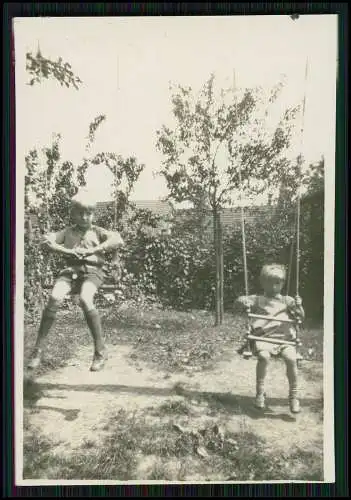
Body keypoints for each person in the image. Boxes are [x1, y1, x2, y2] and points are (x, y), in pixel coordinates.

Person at [27, 188, 124, 372]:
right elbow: (47, 240)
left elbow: (117, 240)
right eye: (81, 213)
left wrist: (93, 250)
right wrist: (68, 251)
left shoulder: (98, 232)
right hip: (70, 272)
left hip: (92, 272)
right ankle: (38, 350)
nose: (85, 217)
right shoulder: (67, 232)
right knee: (55, 297)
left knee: (86, 299)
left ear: (93, 214)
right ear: (73, 213)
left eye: (89, 213)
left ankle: (100, 351)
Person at [235, 264, 305, 414]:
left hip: (284, 339)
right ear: (263, 283)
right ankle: (260, 393)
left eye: (277, 283)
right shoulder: (258, 299)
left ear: (282, 283)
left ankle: (294, 396)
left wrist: (299, 307)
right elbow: (239, 300)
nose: (273, 286)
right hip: (264, 338)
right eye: (269, 282)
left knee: (291, 359)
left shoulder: (288, 301)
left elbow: (301, 316)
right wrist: (242, 300)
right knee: (263, 357)